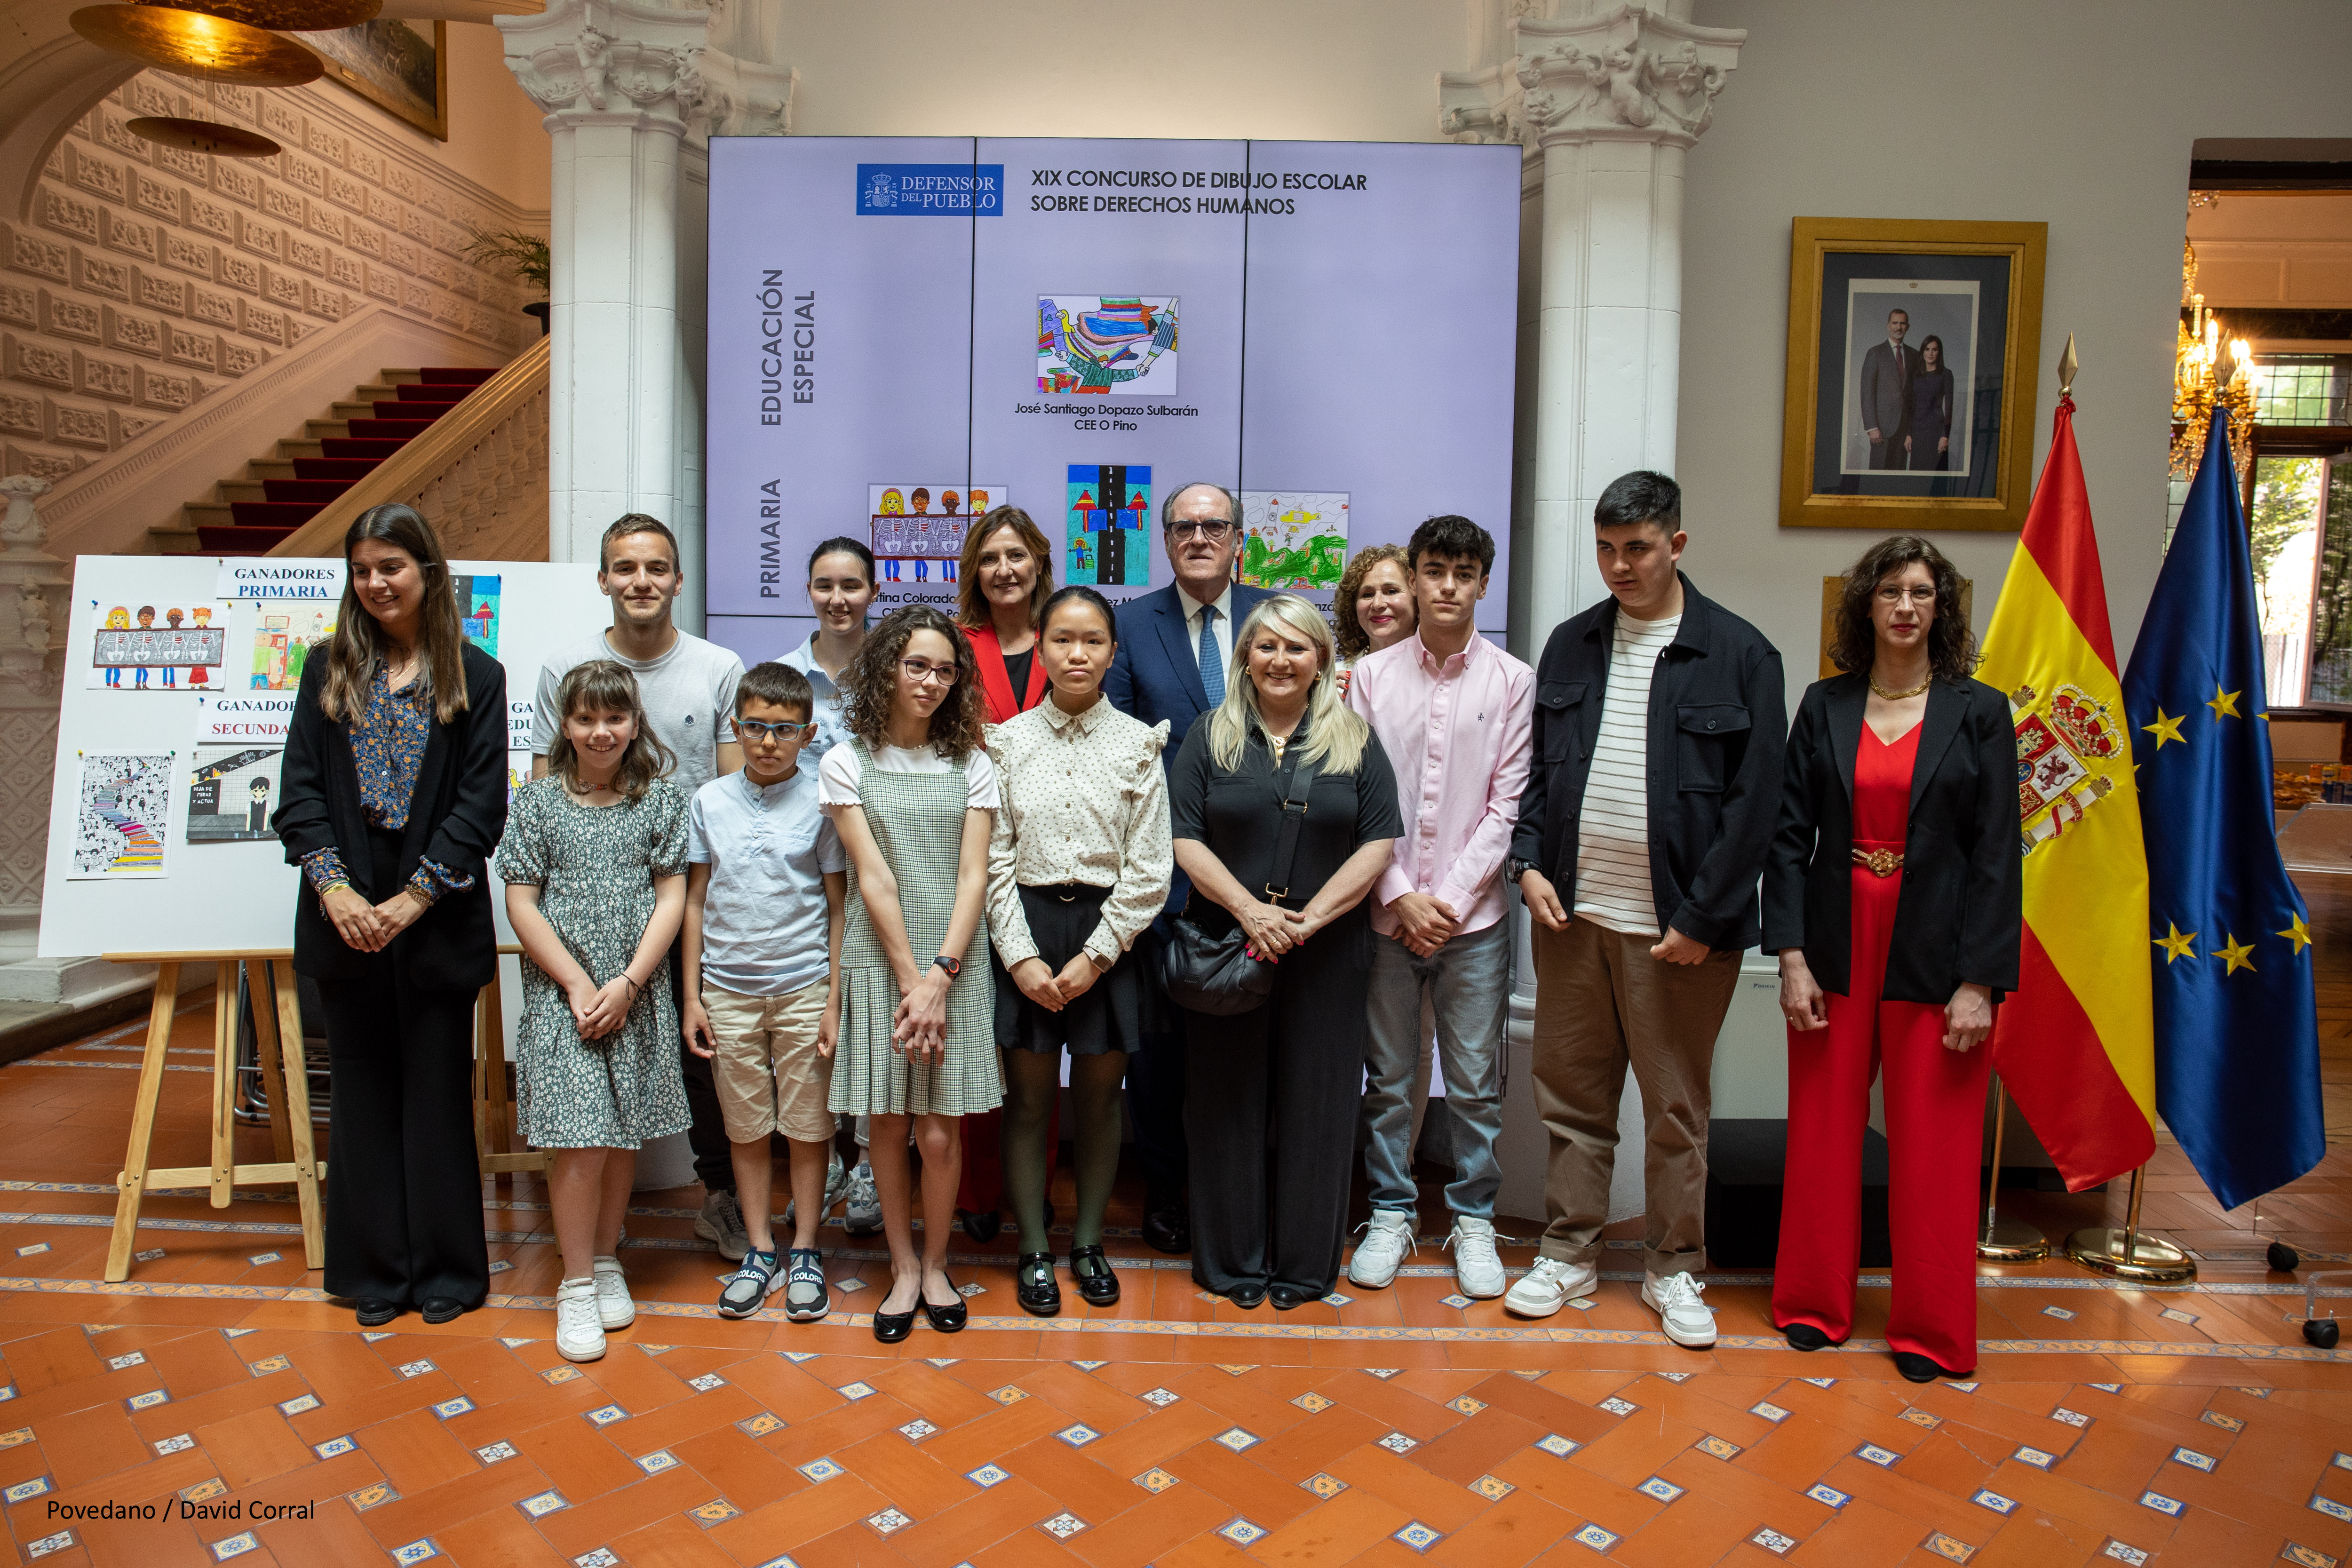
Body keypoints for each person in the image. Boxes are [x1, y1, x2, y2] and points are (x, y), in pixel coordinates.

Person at [1503, 470, 1785, 1348]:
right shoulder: (1570, 644)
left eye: (1638, 548)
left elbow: (1756, 806)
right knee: (1573, 1101)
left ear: (1677, 544)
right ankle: (1570, 1252)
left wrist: (1704, 917)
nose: (1620, 566)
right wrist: (1526, 865)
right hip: (1574, 920)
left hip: (1680, 935)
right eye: (1607, 549)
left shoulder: (1741, 653)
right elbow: (1542, 774)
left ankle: (1675, 1269)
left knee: (1674, 1110)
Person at [1766, 536, 2019, 1383]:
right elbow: (1787, 838)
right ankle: (1812, 1302)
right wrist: (1792, 956)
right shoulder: (1823, 704)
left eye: (1921, 592)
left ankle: (1930, 1328)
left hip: (1938, 950)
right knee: (1823, 1133)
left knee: (1936, 1145)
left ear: (1941, 608)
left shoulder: (1980, 711)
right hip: (1836, 942)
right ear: (1864, 606)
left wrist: (1980, 981)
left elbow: (1997, 856)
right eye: (1890, 591)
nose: (1906, 606)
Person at [274, 502, 507, 1328]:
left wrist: (411, 899)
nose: (375, 583)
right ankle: (373, 1267)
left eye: (391, 567)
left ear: (427, 573)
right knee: (364, 1092)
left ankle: (447, 1269)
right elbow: (298, 793)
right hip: (344, 904)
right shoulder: (322, 668)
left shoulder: (476, 675)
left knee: (439, 1092)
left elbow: (481, 808)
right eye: (362, 569)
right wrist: (337, 890)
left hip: (433, 909)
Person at [1170, 594, 1401, 1309]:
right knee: (1225, 1106)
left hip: (1328, 957)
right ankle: (1233, 1264)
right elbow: (1183, 837)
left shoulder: (1358, 741)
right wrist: (1248, 912)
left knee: (1319, 1107)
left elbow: (1379, 841)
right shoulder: (1210, 737)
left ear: (1321, 660)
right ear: (1246, 655)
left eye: (1296, 647)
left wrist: (1308, 921)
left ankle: (1304, 1267)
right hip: (1227, 953)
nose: (1279, 660)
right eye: (1265, 646)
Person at [531, 515, 748, 1261]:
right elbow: (546, 798)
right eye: (625, 568)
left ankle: (721, 1197)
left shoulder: (719, 666)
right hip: (589, 900)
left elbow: (728, 793)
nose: (642, 582)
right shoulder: (565, 667)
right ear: (603, 580)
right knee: (590, 1054)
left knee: (704, 1049)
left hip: (691, 892)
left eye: (657, 568)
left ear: (678, 580)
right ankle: (592, 1229)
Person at [1343, 516, 1532, 1300]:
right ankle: (1391, 1210)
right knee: (1390, 1076)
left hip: (1474, 921)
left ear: (1484, 581)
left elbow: (1507, 804)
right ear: (1414, 578)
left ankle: (1474, 1217)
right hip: (1385, 911)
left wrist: (1446, 902)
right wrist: (1399, 895)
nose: (1448, 585)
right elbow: (1357, 792)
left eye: (1464, 571)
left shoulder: (1513, 680)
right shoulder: (1371, 677)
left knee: (1476, 1078)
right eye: (1434, 570)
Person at [986, 586, 1172, 1315]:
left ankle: (1088, 1240)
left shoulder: (1138, 742)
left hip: (1109, 936)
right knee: (1029, 1103)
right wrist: (1021, 957)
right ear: (1043, 646)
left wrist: (1097, 955)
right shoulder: (1007, 741)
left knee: (1100, 1103)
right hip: (1027, 928)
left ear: (1113, 652)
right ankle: (1033, 1243)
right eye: (1063, 639)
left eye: (1093, 640)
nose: (1077, 654)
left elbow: (1150, 868)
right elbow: (994, 860)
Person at [1102, 480, 1275, 1254]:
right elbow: (1115, 747)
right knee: (1160, 1054)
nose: (1200, 536)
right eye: (1184, 526)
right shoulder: (1131, 624)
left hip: (1267, 876)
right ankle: (1168, 1188)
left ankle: (1245, 1187)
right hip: (1161, 878)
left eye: (1215, 525)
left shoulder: (1278, 618)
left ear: (1240, 537)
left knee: (1253, 1047)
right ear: (1165, 540)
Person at [820, 606, 1001, 1343]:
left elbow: (973, 876)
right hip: (881, 959)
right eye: (916, 665)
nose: (930, 681)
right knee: (888, 1127)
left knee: (939, 1131)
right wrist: (909, 981)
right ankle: (900, 1268)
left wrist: (942, 975)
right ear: (887, 668)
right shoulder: (846, 761)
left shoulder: (973, 763)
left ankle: (935, 1265)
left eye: (945, 670)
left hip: (956, 963)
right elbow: (873, 878)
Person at [501, 662, 690, 1361]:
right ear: (566, 726)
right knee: (579, 1141)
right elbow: (523, 901)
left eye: (615, 718)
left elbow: (671, 898)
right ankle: (575, 1283)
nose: (601, 732)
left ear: (635, 723)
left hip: (634, 994)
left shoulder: (661, 802)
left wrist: (631, 983)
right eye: (586, 719)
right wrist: (581, 985)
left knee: (619, 1135)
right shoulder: (538, 803)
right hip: (565, 996)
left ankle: (607, 1258)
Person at [682, 662, 848, 1322]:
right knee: (745, 1128)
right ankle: (759, 1246)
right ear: (737, 727)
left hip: (806, 986)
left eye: (784, 730)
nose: (769, 742)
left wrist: (835, 999)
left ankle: (805, 1247)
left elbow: (839, 907)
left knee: (808, 1128)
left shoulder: (823, 802)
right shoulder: (709, 801)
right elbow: (695, 901)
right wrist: (694, 996)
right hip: (727, 991)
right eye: (756, 727)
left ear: (809, 733)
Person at [952, 505, 1057, 1244]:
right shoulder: (955, 647)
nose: (1005, 570)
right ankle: (975, 1190)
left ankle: (1033, 1192)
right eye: (991, 558)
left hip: (1053, 862)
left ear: (1040, 563)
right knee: (974, 1038)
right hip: (967, 855)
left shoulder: (1073, 637)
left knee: (1033, 1049)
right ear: (974, 572)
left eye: (1017, 555)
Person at [780, 536, 879, 1234]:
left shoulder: (897, 669)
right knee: (816, 1015)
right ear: (809, 591)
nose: (838, 598)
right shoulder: (781, 676)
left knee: (874, 1009)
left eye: (851, 584)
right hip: (800, 876)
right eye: (825, 585)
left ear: (873, 591)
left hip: (881, 867)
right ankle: (828, 1155)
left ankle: (873, 1161)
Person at [1333, 543, 1416, 697]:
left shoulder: (1441, 673)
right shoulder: (1332, 679)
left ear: (1417, 599)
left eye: (1391, 591)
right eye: (1367, 595)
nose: (1377, 604)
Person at [1859, 307, 1919, 471]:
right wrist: (1872, 428)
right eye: (1895, 323)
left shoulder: (1915, 356)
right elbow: (1867, 393)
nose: (1898, 327)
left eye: (1902, 323)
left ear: (1908, 327)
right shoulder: (1875, 353)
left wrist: (1911, 431)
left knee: (1897, 476)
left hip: (1904, 429)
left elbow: (1916, 396)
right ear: (1888, 326)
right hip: (1881, 430)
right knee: (1878, 475)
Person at [1905, 335, 1954, 472]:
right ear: (1923, 352)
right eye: (1927, 349)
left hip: (1936, 431)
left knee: (1935, 475)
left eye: (1934, 350)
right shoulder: (1916, 375)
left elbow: (1949, 407)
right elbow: (1912, 407)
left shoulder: (1946, 374)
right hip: (1918, 432)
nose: (1931, 354)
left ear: (1939, 352)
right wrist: (1909, 434)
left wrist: (1945, 435)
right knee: (1916, 475)